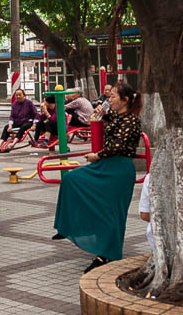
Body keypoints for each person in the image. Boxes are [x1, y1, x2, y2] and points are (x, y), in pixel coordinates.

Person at [51, 81, 146, 270]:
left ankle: (106, 255)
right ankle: (69, 225)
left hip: (118, 167)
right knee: (71, 179)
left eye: (113, 96)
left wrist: (97, 155)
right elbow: (106, 125)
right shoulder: (117, 117)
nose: (109, 99)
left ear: (125, 100)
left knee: (111, 212)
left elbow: (118, 145)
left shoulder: (131, 120)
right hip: (107, 164)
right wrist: (101, 115)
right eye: (109, 96)